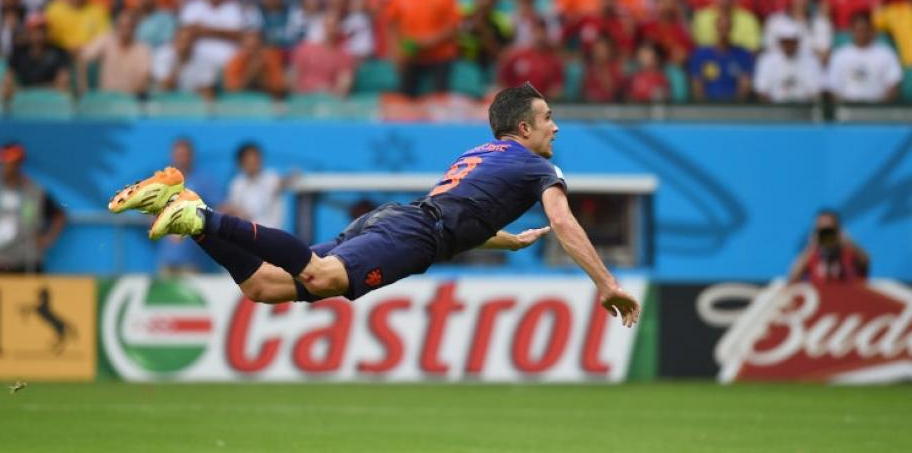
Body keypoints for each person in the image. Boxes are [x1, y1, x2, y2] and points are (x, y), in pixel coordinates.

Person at [108, 83, 640, 327]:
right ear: (523, 128)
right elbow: (565, 223)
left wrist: (504, 237)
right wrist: (606, 284)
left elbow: (460, 216)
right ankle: (201, 217)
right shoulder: (538, 166)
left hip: (396, 219)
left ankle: (190, 212)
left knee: (264, 287)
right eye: (548, 117)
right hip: (412, 234)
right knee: (316, 276)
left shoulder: (483, 153)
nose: (556, 126)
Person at [0, 143, 66, 273]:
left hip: (28, 264)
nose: (6, 167)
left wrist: (47, 239)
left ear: (19, 164)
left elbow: (59, 215)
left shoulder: (34, 191)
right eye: (3, 163)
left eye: (11, 163)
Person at [152, 137, 222, 276]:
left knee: (190, 297)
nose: (182, 159)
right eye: (178, 155)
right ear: (172, 156)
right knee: (163, 296)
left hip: (192, 259)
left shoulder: (203, 180)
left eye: (185, 155)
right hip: (167, 258)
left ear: (192, 156)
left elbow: (220, 208)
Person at [826, 11, 903, 103]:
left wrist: (881, 106)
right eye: (857, 30)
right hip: (847, 110)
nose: (861, 33)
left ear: (871, 30)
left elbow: (894, 85)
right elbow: (832, 88)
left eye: (864, 29)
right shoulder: (840, 55)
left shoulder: (886, 53)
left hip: (878, 110)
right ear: (851, 30)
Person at [0, 12, 71, 102]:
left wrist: (31, 91)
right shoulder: (18, 52)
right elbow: (8, 79)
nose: (39, 33)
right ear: (28, 31)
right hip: (24, 99)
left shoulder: (59, 52)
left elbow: (62, 84)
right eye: (34, 29)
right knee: (2, 89)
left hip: (51, 100)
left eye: (42, 29)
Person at [222, 142, 296, 229]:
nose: (253, 164)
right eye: (248, 161)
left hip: (273, 232)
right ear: (241, 164)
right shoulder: (237, 183)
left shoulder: (271, 178)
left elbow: (285, 181)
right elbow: (233, 209)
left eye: (255, 160)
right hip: (247, 233)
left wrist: (291, 177)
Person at [78, 10, 152, 96]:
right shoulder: (106, 40)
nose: (125, 30)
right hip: (106, 99)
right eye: (121, 26)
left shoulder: (143, 49)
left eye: (128, 26)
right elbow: (82, 58)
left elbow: (144, 78)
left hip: (130, 101)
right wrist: (84, 92)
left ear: (134, 27)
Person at [788, 210, 869, 285]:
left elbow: (865, 264)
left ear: (837, 229)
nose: (826, 235)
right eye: (822, 230)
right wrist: (810, 247)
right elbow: (793, 278)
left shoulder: (848, 252)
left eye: (830, 230)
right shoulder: (810, 255)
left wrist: (848, 241)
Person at [753, 19, 824, 103]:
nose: (789, 45)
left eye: (792, 42)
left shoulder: (810, 60)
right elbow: (761, 89)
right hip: (774, 109)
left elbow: (816, 90)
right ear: (780, 42)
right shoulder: (766, 60)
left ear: (798, 42)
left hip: (803, 109)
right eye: (786, 42)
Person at [689, 14, 754, 102]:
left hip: (734, 107)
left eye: (726, 28)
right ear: (716, 28)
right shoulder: (701, 55)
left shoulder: (742, 55)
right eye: (721, 28)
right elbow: (697, 85)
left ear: (731, 29)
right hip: (707, 106)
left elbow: (745, 85)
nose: (723, 32)